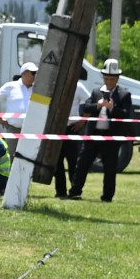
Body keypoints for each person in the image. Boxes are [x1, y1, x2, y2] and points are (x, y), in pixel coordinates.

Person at [68, 59, 133, 203]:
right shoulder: (96, 92)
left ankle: (107, 197)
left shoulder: (124, 95)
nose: (109, 81)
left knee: (110, 168)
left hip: (111, 137)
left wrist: (112, 108)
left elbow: (126, 113)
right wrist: (97, 106)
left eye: (112, 79)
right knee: (82, 164)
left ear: (117, 79)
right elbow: (86, 107)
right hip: (93, 135)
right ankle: (74, 192)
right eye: (107, 78)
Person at [54, 71, 93, 199]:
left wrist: (83, 121)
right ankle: (60, 192)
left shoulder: (78, 86)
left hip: (72, 128)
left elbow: (90, 102)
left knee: (73, 160)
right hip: (57, 128)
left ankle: (74, 191)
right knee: (57, 161)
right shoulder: (55, 85)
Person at [0, 62, 38, 135]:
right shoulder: (10, 86)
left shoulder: (37, 89)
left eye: (36, 73)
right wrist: (0, 119)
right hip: (13, 129)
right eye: (33, 73)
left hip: (32, 130)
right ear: (24, 73)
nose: (35, 75)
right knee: (12, 147)